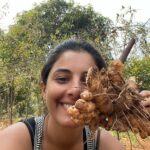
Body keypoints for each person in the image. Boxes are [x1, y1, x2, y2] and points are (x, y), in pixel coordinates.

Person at [0, 39, 149, 150]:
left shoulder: (104, 145)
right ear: (44, 89)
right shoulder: (14, 141)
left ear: (107, 94)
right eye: (62, 79)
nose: (76, 90)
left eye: (87, 81)